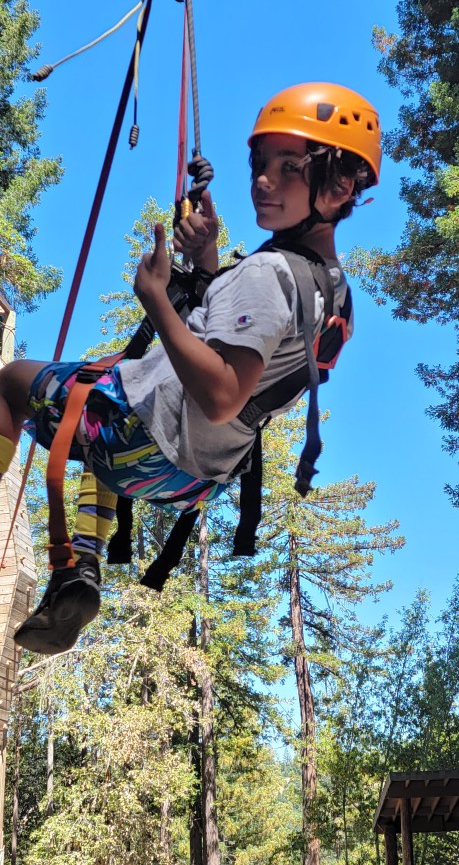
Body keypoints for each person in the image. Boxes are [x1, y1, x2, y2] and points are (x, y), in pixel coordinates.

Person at [0, 82, 381, 655]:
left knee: (11, 384)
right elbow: (244, 354)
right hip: (190, 478)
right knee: (98, 408)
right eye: (260, 163)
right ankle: (82, 560)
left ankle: (81, 556)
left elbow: (223, 392)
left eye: (289, 167)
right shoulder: (334, 294)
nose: (263, 179)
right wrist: (206, 263)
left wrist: (156, 297)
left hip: (142, 438)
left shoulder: (268, 273)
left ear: (341, 186)